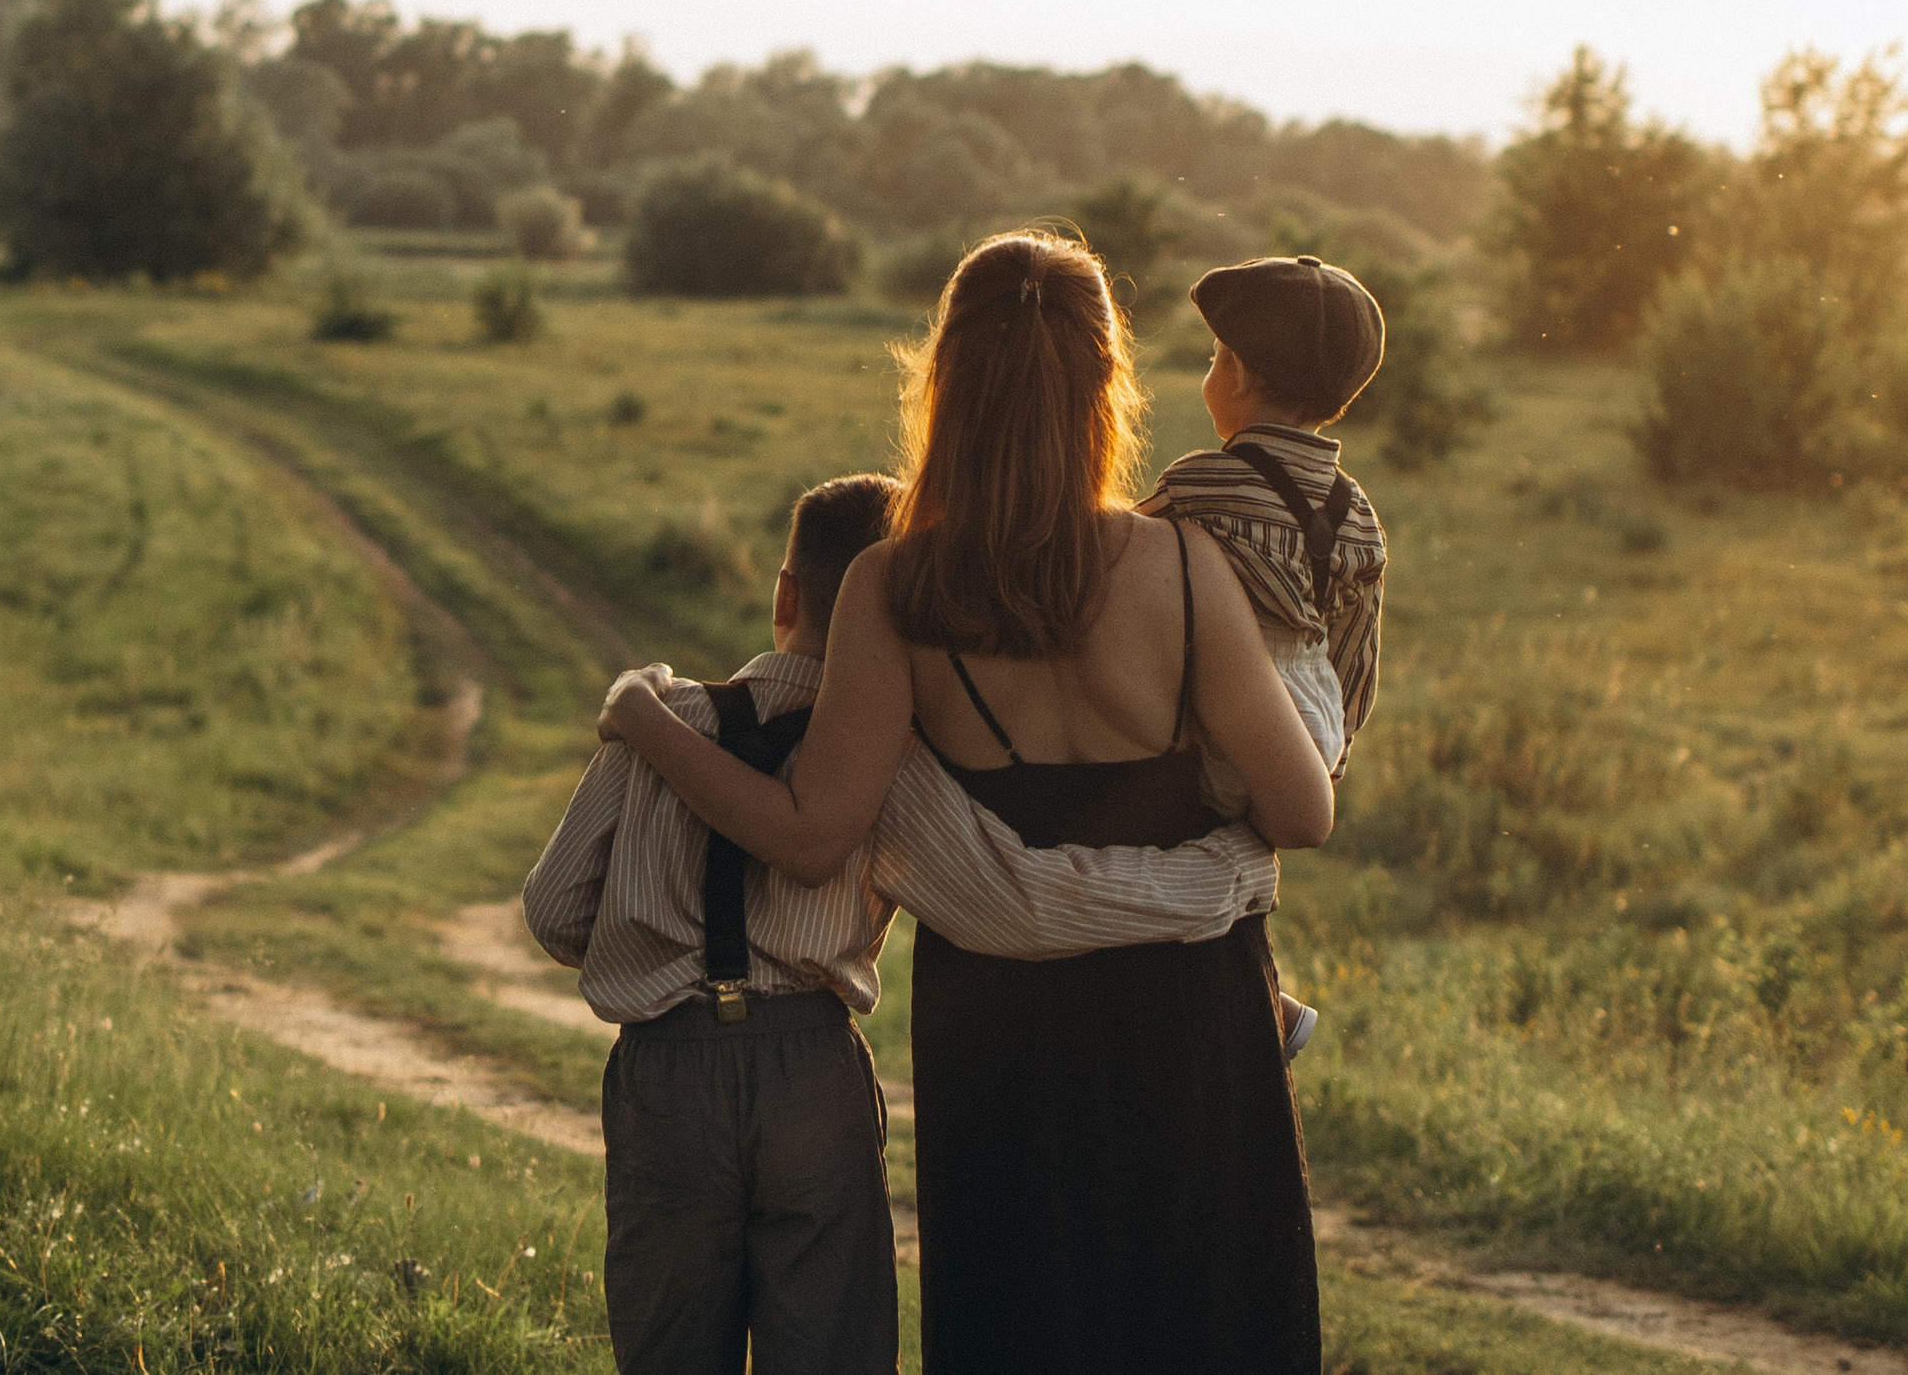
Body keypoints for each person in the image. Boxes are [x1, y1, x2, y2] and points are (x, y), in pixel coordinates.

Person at [600, 231, 1334, 1375]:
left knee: (1025, 1328)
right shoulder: (1183, 568)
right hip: (1186, 1024)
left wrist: (650, 726)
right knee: (1196, 1324)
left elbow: (811, 837)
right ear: (1106, 387)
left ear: (944, 382)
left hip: (1004, 1042)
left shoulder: (897, 584)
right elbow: (1302, 813)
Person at [526, 472, 1283, 1375]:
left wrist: (649, 943)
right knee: (832, 1343)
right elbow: (1020, 899)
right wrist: (1215, 881)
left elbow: (553, 907)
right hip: (809, 1070)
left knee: (668, 1342)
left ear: (784, 594)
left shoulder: (661, 719)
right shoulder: (885, 761)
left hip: (664, 1074)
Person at [1140, 252, 1392, 1058]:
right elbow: (1356, 666)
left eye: (1216, 358)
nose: (1210, 373)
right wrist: (1324, 754)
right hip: (1305, 731)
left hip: (1223, 716)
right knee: (1236, 865)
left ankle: (1236, 1003)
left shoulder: (1203, 484)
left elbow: (1115, 558)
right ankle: (1263, 998)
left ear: (1239, 374)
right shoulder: (1358, 516)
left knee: (1154, 844)